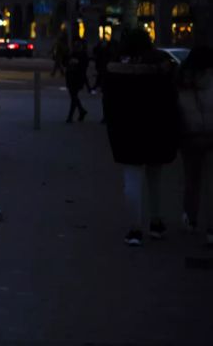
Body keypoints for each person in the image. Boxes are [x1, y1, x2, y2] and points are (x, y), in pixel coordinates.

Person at [102, 27, 179, 246]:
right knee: (155, 178)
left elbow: (108, 101)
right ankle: (156, 222)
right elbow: (171, 97)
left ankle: (135, 229)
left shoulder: (116, 64)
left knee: (132, 180)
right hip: (156, 128)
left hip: (127, 129)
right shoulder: (161, 63)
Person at [176, 45, 213, 246]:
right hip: (211, 135)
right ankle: (211, 229)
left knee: (192, 181)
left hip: (189, 135)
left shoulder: (182, 78)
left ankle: (191, 218)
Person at [65, 38, 90, 122]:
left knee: (74, 97)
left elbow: (83, 68)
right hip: (70, 77)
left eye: (78, 45)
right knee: (73, 96)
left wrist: (76, 63)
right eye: (75, 45)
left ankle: (70, 116)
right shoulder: (72, 54)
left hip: (78, 78)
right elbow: (65, 63)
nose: (76, 47)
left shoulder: (83, 55)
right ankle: (81, 111)